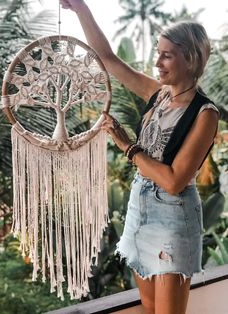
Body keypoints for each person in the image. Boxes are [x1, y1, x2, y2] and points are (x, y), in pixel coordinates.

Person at [60, 1, 219, 313]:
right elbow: (107, 58)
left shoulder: (204, 113)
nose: (156, 61)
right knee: (148, 306)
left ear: (190, 58)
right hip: (139, 208)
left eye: (166, 55)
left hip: (172, 216)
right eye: (157, 52)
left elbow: (174, 181)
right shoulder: (157, 94)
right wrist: (81, 9)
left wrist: (127, 146)